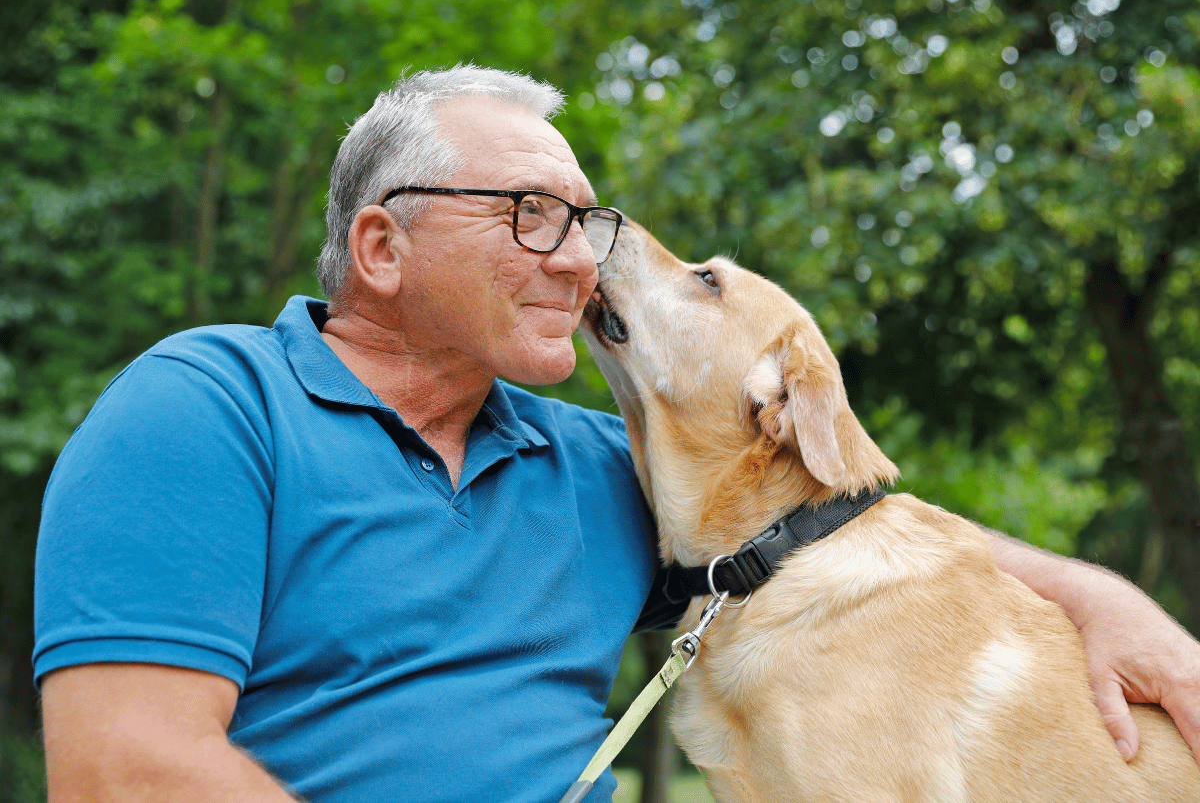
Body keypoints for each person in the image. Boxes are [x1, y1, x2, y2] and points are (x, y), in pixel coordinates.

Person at [34, 65, 1200, 803]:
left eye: (584, 220)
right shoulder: (207, 408)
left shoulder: (600, 468)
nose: (582, 258)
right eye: (534, 216)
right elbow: (124, 771)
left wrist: (1104, 600)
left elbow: (832, 537)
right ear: (383, 249)